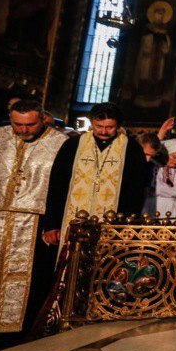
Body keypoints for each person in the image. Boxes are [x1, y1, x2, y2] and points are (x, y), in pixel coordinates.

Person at [0, 100, 66, 337]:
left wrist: (52, 224)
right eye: (18, 124)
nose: (24, 130)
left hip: (35, 222)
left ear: (43, 118)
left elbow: (59, 189)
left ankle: (21, 329)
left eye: (30, 125)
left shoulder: (60, 143)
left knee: (31, 280)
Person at [44, 103, 149, 246]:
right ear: (92, 122)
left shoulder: (131, 149)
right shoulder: (73, 145)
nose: (104, 132)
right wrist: (51, 223)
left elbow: (136, 190)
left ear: (118, 125)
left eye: (109, 127)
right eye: (99, 126)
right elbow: (57, 184)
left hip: (113, 223)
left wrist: (126, 225)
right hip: (72, 220)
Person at [154, 139, 176, 215]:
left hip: (175, 210)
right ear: (166, 153)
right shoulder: (156, 166)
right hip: (155, 207)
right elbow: (156, 188)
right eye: (175, 156)